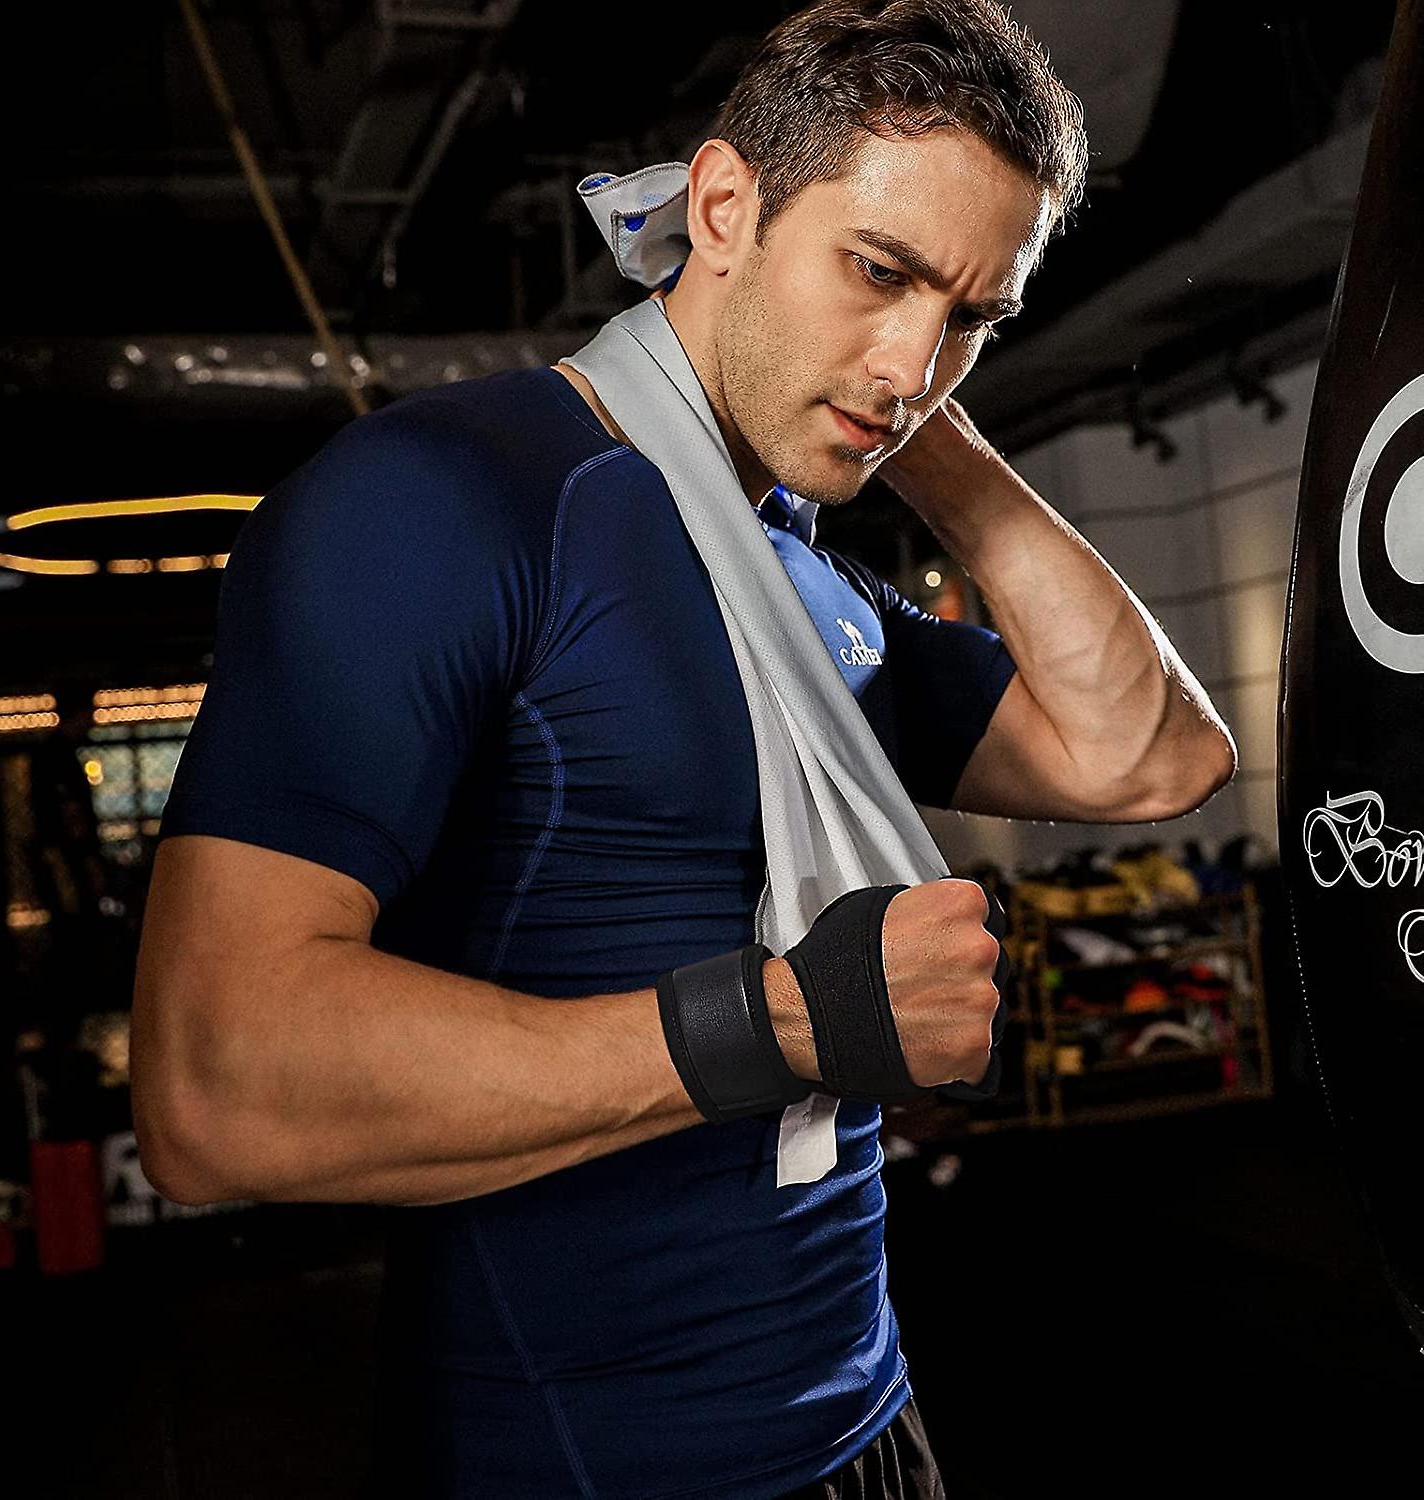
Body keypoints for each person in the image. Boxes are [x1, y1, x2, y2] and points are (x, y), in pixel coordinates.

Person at [130, 2, 1237, 1496]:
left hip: (869, 1423)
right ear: (720, 208)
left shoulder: (807, 587)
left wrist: (916, 418)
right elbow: (216, 1084)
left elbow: (1149, 757)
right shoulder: (447, 498)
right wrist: (783, 1026)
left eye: (974, 317)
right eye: (879, 269)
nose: (917, 359)